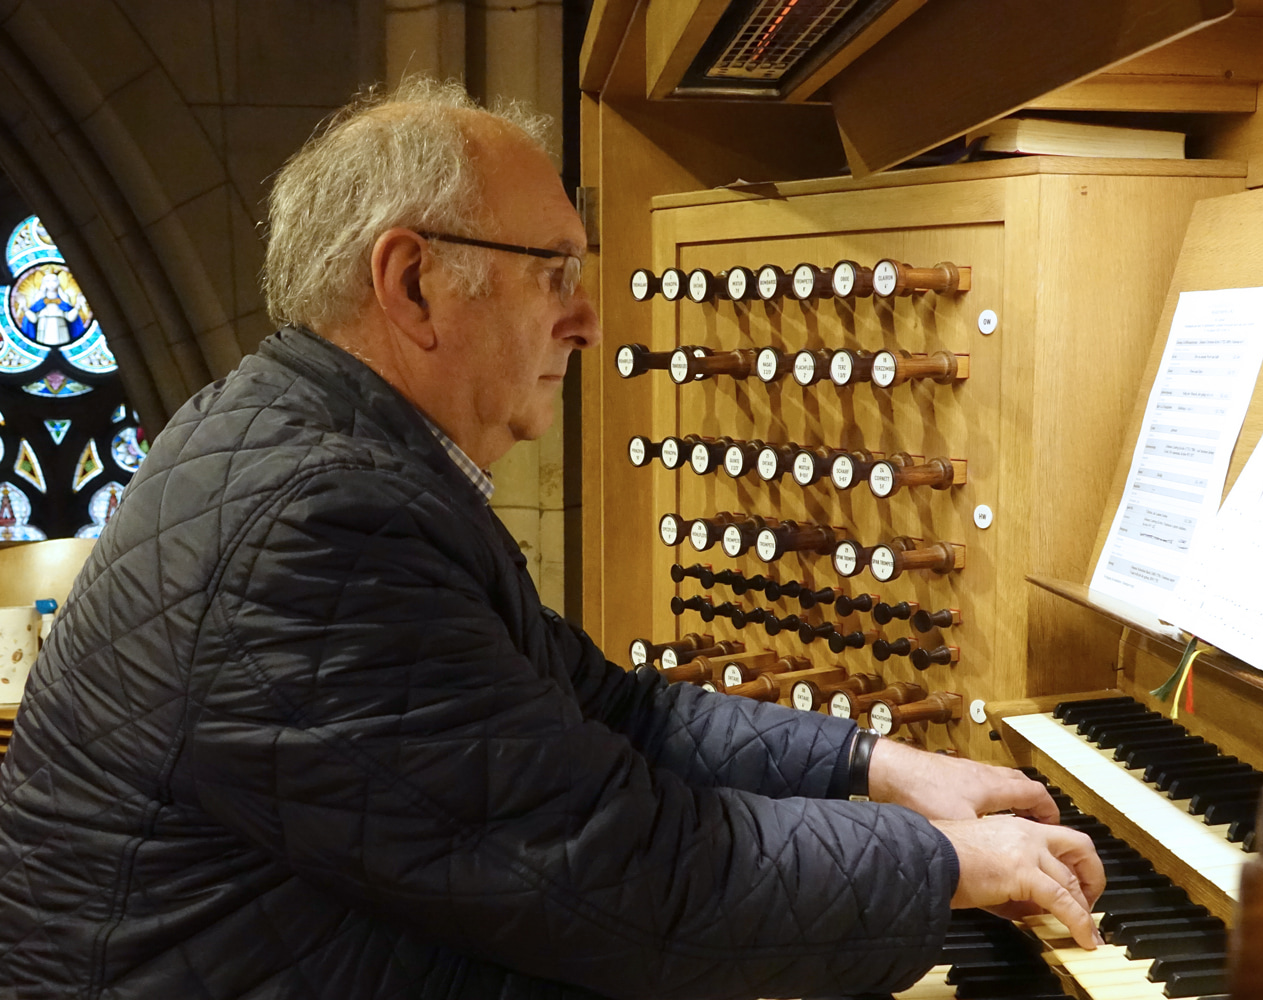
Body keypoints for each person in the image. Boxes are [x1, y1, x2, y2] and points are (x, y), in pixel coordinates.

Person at [0, 80, 1103, 1000]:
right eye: (554, 273)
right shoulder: (323, 524)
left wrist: (878, 764)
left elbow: (616, 708)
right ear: (414, 281)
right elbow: (625, 874)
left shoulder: (309, 444)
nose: (587, 319)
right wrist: (947, 865)